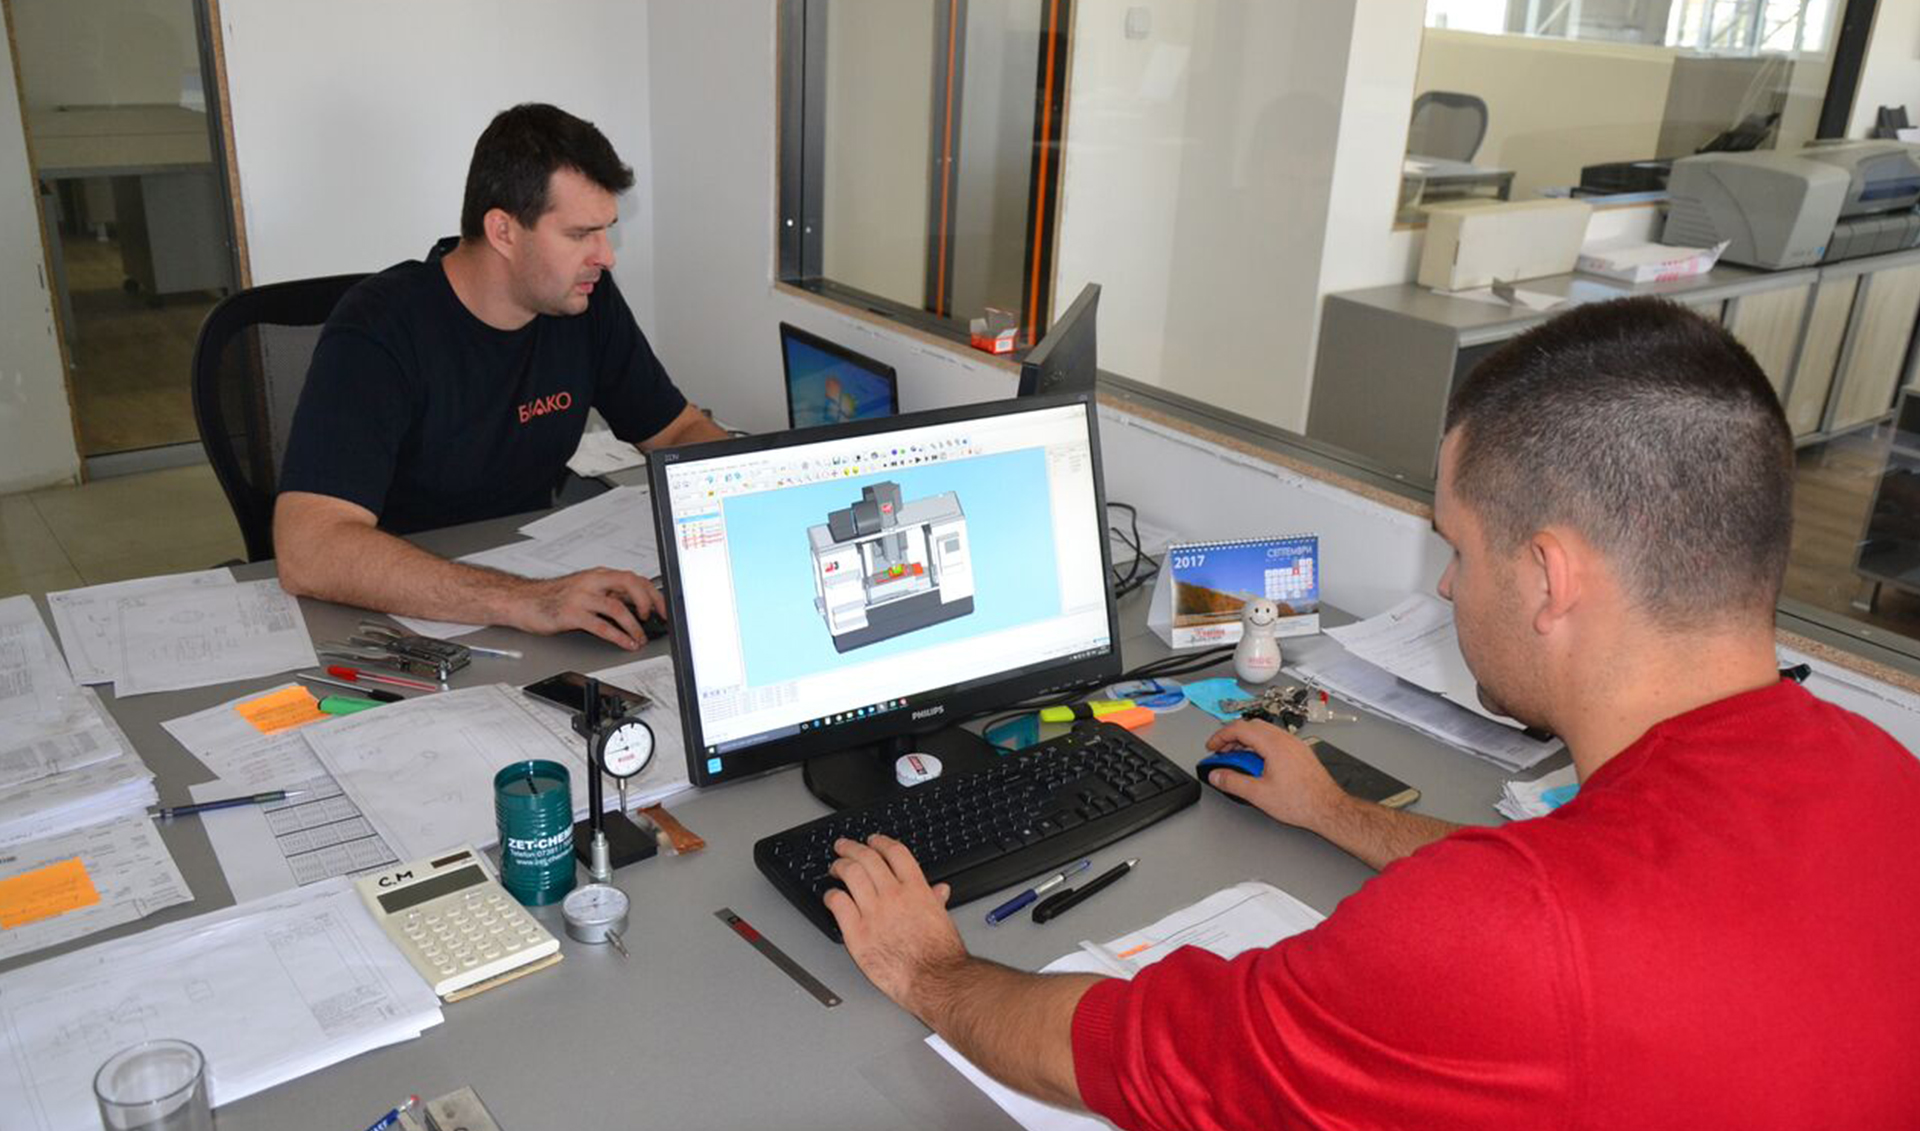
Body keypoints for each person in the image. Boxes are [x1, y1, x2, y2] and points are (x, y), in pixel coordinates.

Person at [823, 296, 1920, 1127]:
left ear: (1550, 578)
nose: (1447, 586)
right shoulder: (1883, 778)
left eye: (1460, 548)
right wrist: (1338, 813)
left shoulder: (1499, 940)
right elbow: (1588, 887)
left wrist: (932, 970)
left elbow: (1129, 1053)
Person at [274, 103, 727, 648]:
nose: (605, 256)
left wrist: (757, 499)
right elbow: (309, 549)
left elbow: (677, 430)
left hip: (528, 590)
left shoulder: (585, 303)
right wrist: (526, 600)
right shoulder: (380, 327)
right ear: (504, 231)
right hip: (396, 620)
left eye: (606, 231)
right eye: (581, 234)